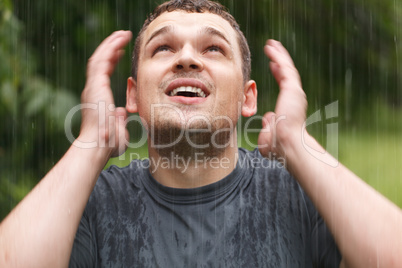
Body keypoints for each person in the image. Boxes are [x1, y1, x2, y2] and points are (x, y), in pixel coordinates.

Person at [1, 0, 401, 267]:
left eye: (213, 49)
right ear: (133, 94)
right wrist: (91, 146)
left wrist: (298, 144)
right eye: (163, 49)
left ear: (248, 99)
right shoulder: (89, 202)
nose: (187, 58)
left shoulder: (302, 195)